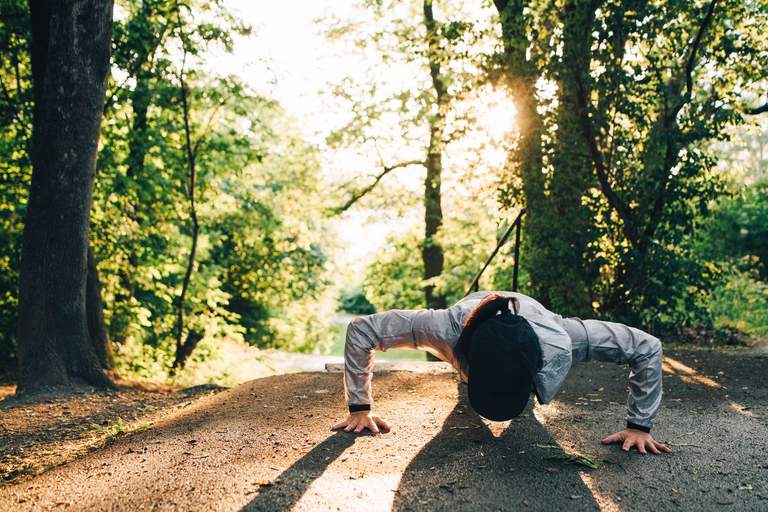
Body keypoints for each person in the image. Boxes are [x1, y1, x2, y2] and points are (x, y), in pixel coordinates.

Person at [331, 290, 672, 455]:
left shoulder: (567, 338)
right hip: (471, 323)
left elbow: (646, 346)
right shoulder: (441, 327)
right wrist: (359, 408)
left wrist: (638, 427)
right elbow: (362, 330)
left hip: (531, 328)